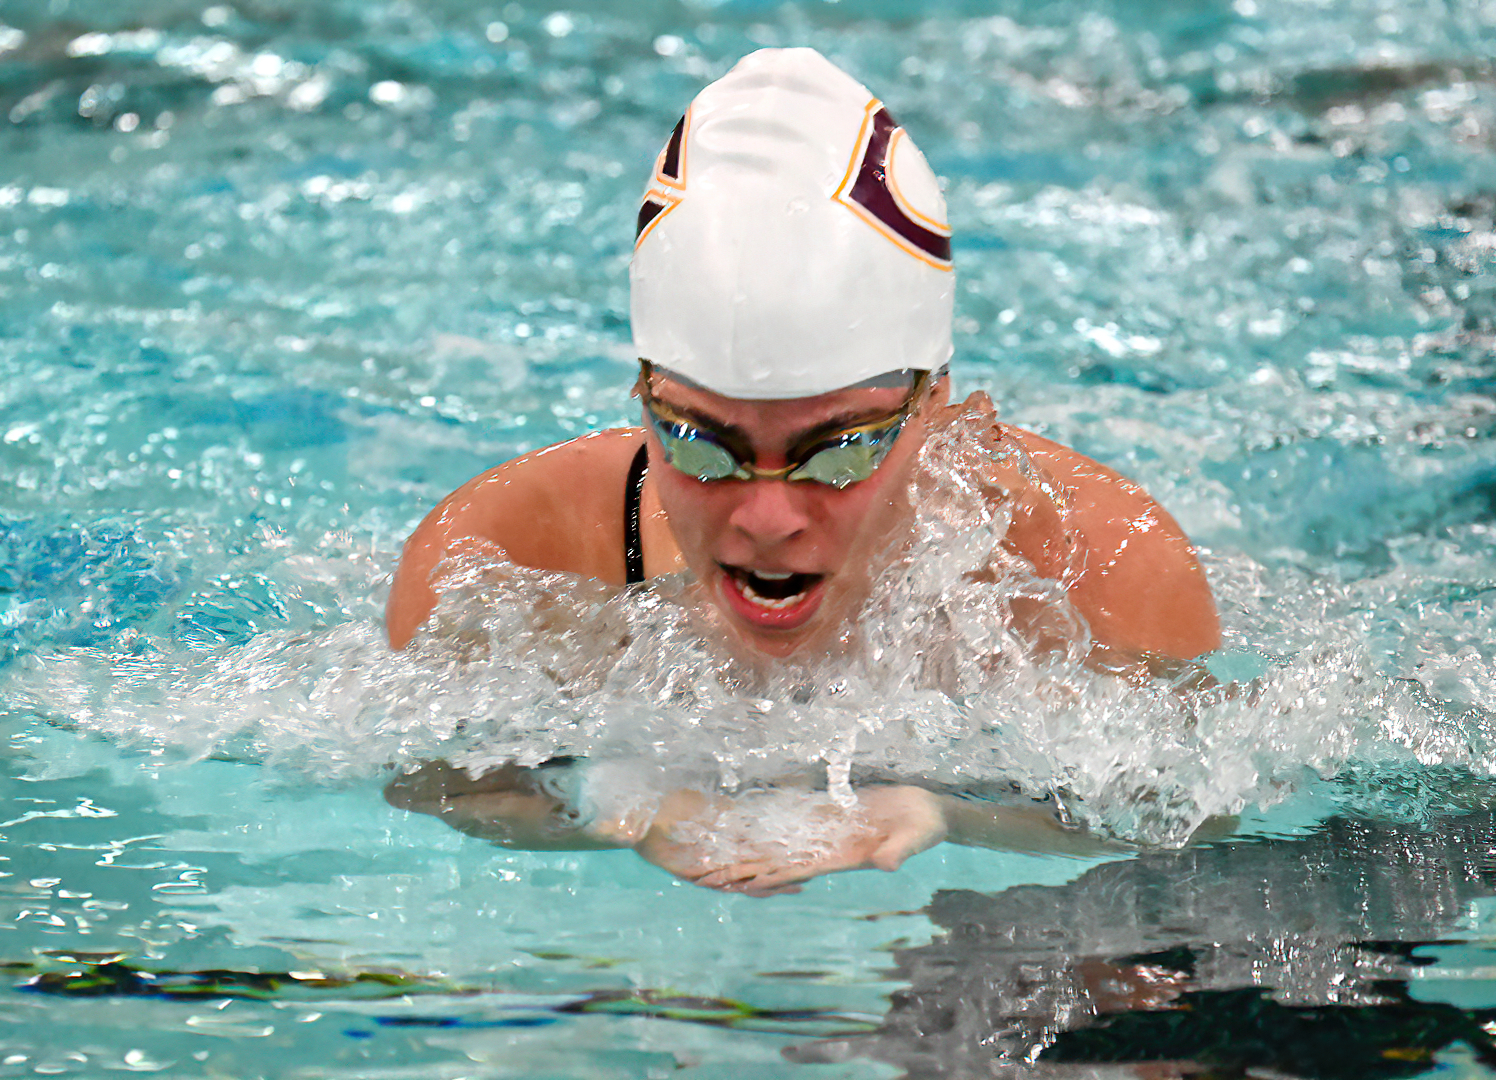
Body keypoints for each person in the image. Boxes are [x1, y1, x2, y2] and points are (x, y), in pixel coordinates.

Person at [383, 48, 1220, 895]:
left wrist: (948, 812)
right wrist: (604, 799)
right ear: (641, 398)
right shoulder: (503, 554)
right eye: (700, 444)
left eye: (841, 450)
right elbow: (426, 783)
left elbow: (1194, 813)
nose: (768, 519)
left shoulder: (1098, 568)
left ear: (935, 410)